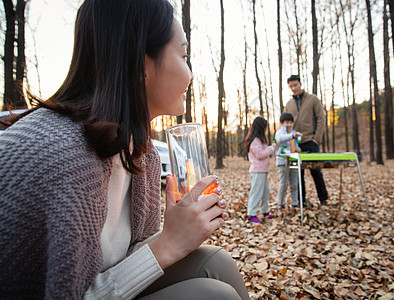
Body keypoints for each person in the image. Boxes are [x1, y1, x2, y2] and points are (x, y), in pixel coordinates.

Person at [0, 1, 249, 299]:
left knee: (215, 262)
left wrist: (178, 233)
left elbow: (124, 263)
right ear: (141, 64)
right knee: (211, 295)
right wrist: (168, 243)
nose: (190, 73)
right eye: (183, 55)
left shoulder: (140, 152)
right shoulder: (64, 154)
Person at [284, 75, 328, 206]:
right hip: (295, 143)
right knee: (298, 173)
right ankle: (301, 201)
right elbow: (285, 124)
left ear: (300, 84)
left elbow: (321, 118)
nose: (294, 88)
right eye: (291, 86)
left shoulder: (313, 99)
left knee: (316, 171)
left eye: (295, 85)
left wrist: (317, 139)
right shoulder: (289, 104)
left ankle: (323, 198)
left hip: (311, 141)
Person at [245, 116, 279, 223]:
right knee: (256, 192)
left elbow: (263, 151)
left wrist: (271, 147)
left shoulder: (260, 140)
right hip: (257, 171)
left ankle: (265, 211)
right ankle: (251, 214)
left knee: (265, 193)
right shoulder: (255, 140)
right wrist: (272, 148)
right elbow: (260, 155)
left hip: (263, 170)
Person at [274, 112, 303, 209]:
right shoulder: (279, 133)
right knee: (284, 183)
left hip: (293, 160)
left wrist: (298, 148)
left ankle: (295, 202)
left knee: (294, 183)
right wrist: (292, 135)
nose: (289, 125)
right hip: (282, 162)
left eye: (290, 122)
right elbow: (280, 139)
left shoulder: (293, 132)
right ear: (282, 123)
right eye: (286, 122)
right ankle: (281, 203)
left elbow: (295, 145)